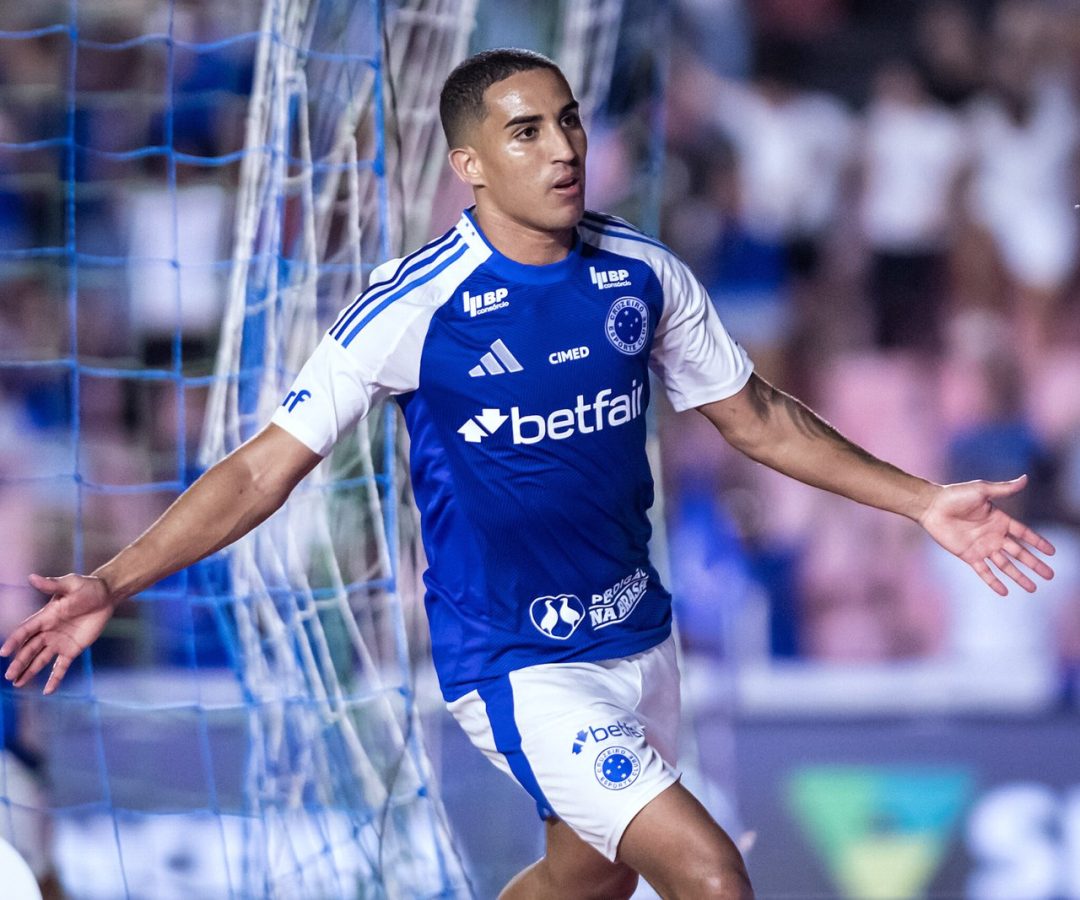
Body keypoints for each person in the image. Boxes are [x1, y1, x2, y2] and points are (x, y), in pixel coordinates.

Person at [1, 49, 1057, 900]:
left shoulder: (642, 274)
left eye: (569, 122)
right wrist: (112, 582)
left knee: (585, 879)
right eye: (526, 130)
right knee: (709, 874)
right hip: (516, 663)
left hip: (642, 642)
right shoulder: (415, 304)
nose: (562, 149)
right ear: (469, 164)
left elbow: (759, 421)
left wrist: (923, 500)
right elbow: (260, 472)